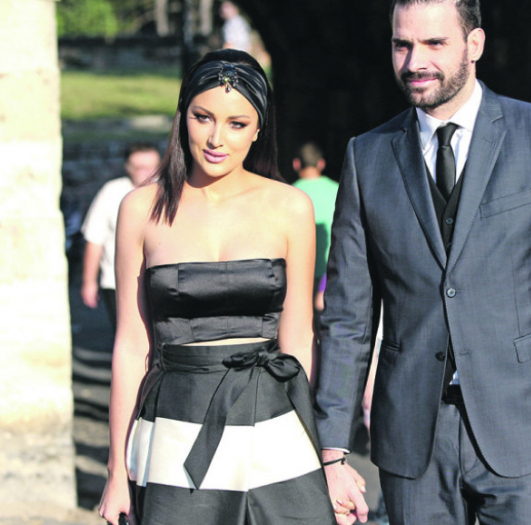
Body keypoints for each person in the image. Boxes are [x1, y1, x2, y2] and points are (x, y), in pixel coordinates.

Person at [314, 1, 531, 524]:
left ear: (474, 45)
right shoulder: (367, 156)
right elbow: (347, 319)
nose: (414, 62)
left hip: (526, 433)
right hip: (412, 440)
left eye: (434, 43)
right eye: (402, 44)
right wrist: (331, 452)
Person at [97, 49, 336, 525]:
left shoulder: (290, 207)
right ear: (182, 115)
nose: (215, 139)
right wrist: (116, 472)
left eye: (236, 123)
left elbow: (298, 340)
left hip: (275, 424)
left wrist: (326, 457)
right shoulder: (139, 208)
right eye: (202, 117)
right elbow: (131, 346)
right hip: (174, 427)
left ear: (259, 128)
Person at [81, 143, 161, 328]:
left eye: (152, 167)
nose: (147, 173)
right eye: (140, 168)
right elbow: (94, 240)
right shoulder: (111, 192)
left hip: (160, 281)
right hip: (117, 282)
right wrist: (89, 282)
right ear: (128, 167)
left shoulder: (170, 191)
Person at [291, 142, 339, 312]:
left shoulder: (288, 194)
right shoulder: (339, 190)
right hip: (332, 274)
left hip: (298, 277)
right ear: (321, 164)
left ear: (296, 164)